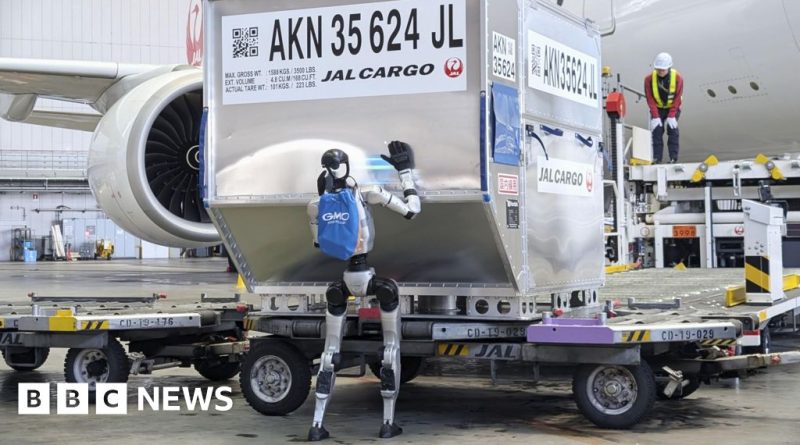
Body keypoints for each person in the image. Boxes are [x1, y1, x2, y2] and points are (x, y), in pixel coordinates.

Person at [306, 142, 421, 441]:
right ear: (345, 167)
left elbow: (319, 243)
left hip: (342, 281)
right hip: (370, 278)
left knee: (330, 352)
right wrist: (405, 172)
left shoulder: (316, 204)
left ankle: (317, 425)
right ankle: (387, 423)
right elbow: (412, 211)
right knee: (390, 347)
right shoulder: (366, 192)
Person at [644, 52, 684, 163]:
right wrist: (655, 116)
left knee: (673, 130)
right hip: (658, 109)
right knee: (657, 131)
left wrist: (672, 116)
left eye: (663, 70)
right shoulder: (648, 79)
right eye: (659, 69)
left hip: (673, 108)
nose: (661, 72)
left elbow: (677, 98)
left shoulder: (678, 78)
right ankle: (657, 158)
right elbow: (650, 98)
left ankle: (673, 158)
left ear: (669, 68)